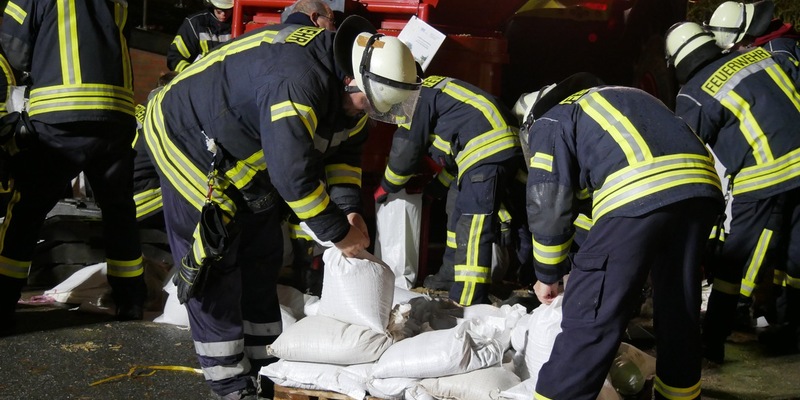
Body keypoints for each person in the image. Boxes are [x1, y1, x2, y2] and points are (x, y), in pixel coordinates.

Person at [142, 15, 420, 399]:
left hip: (247, 152)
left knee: (263, 256)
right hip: (189, 139)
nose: (367, 113)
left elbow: (345, 153)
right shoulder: (297, 83)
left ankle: (263, 369)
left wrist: (347, 208)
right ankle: (230, 386)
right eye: (367, 104)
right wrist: (338, 233)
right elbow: (292, 177)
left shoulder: (354, 94)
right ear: (349, 79)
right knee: (215, 264)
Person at [518, 72, 723, 399]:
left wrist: (547, 274)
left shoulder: (552, 119)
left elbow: (549, 203)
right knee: (678, 312)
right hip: (701, 190)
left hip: (639, 192)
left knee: (590, 316)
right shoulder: (622, 99)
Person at [0, 0, 147, 332]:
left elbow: (13, 46)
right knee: (119, 211)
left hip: (60, 116)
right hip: (116, 114)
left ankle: (3, 301)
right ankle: (131, 301)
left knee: (27, 210)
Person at [666, 21, 800, 363]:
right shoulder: (763, 56)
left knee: (732, 263)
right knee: (796, 254)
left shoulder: (695, 92)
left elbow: (686, 150)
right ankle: (790, 329)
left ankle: (712, 340)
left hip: (764, 176)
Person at [373, 74, 530, 306]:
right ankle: (450, 276)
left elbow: (405, 152)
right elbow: (456, 159)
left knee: (472, 224)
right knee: (455, 207)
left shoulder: (413, 98)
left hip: (486, 149)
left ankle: (468, 297)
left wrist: (385, 186)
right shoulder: (432, 93)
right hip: (484, 149)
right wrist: (435, 189)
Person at [705, 0, 800, 59]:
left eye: (731, 48)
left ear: (745, 37)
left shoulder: (775, 53)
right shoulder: (777, 38)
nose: (732, 52)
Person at [167, 0, 234, 73]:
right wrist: (190, 74)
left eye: (228, 10)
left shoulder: (240, 24)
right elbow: (175, 57)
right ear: (212, 6)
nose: (223, 15)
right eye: (219, 11)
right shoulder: (195, 24)